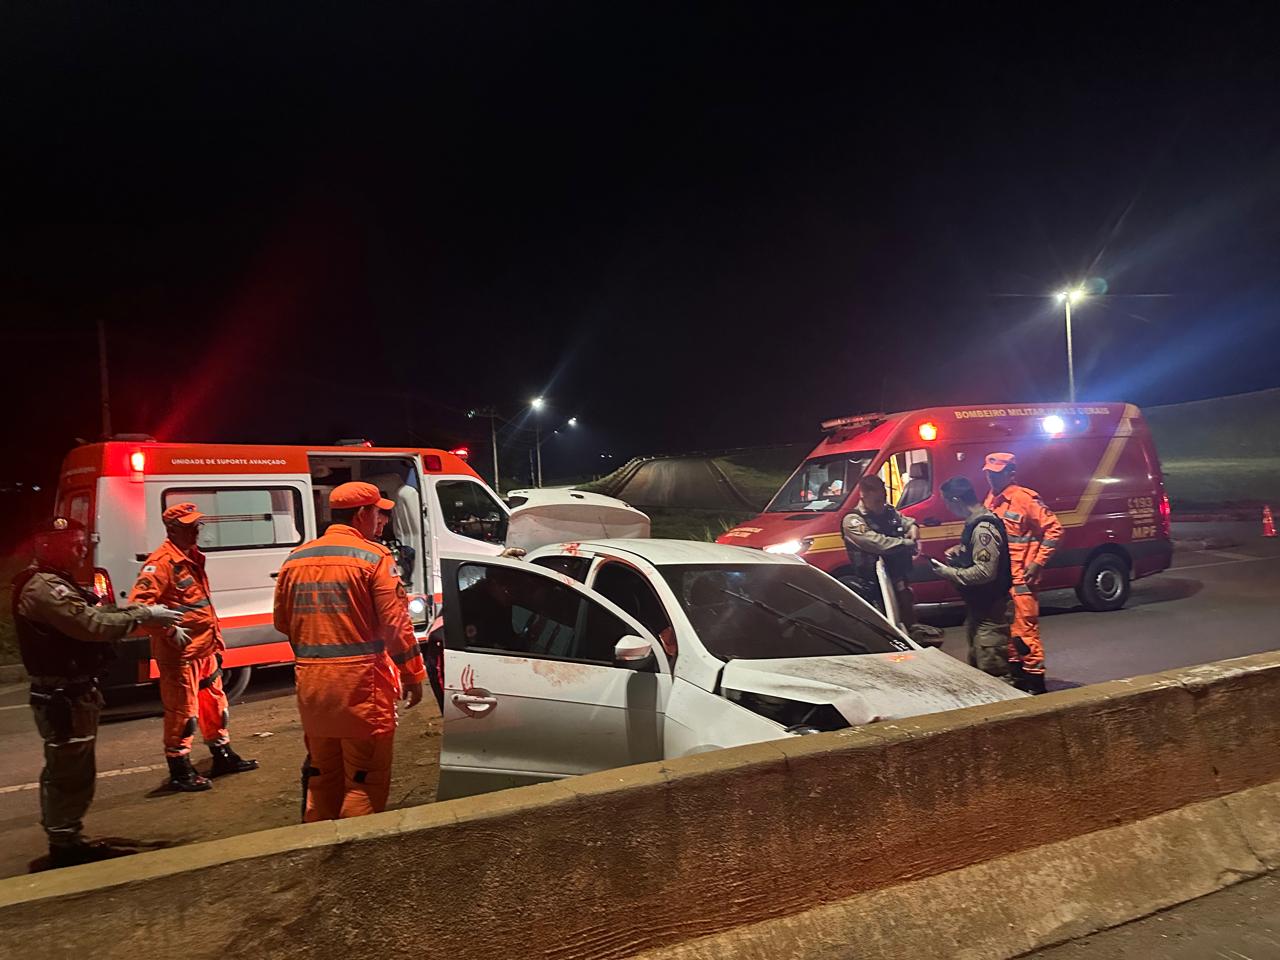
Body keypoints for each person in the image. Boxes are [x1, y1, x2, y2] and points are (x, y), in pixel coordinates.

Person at [12, 517, 183, 866]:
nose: (82, 550)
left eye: (82, 541)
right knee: (69, 772)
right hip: (64, 695)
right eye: (73, 544)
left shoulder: (54, 582)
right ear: (49, 547)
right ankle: (65, 845)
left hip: (72, 693)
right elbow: (92, 624)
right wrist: (145, 613)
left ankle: (67, 836)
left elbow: (95, 613)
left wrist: (145, 617)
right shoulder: (44, 587)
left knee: (72, 769)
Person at [273, 482, 426, 821]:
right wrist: (413, 674)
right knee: (363, 782)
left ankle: (317, 854)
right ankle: (357, 866)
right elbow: (395, 626)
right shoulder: (374, 558)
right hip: (361, 689)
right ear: (361, 514)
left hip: (313, 690)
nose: (381, 520)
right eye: (378, 513)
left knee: (321, 780)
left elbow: (282, 622)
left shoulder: (295, 559)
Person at [129, 503, 258, 792]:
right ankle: (180, 770)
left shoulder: (191, 557)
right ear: (172, 529)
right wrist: (169, 630)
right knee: (183, 712)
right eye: (188, 527)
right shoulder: (162, 562)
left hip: (203, 648)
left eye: (197, 526)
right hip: (181, 654)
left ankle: (223, 756)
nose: (195, 531)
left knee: (214, 704)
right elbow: (139, 607)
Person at [983, 453, 1063, 694]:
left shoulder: (1025, 498)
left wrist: (1038, 563)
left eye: (996, 474)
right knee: (1008, 634)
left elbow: (1054, 530)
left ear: (1010, 473)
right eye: (988, 474)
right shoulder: (992, 499)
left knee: (1025, 634)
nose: (991, 479)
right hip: (1001, 578)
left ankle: (1036, 685)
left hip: (1021, 579)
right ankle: (1018, 679)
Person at [928, 477, 1013, 681]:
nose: (947, 508)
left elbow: (984, 572)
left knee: (994, 674)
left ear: (956, 499)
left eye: (947, 502)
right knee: (979, 668)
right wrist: (961, 552)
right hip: (979, 610)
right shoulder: (974, 523)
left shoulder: (984, 527)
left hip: (991, 612)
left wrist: (947, 572)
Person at [840, 475, 924, 636]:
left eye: (883, 498)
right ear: (863, 495)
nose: (881, 504)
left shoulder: (888, 511)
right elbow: (876, 543)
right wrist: (905, 543)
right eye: (877, 501)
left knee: (908, 619)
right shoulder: (853, 520)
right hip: (874, 585)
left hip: (897, 577)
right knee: (887, 629)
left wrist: (914, 527)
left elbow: (905, 521)